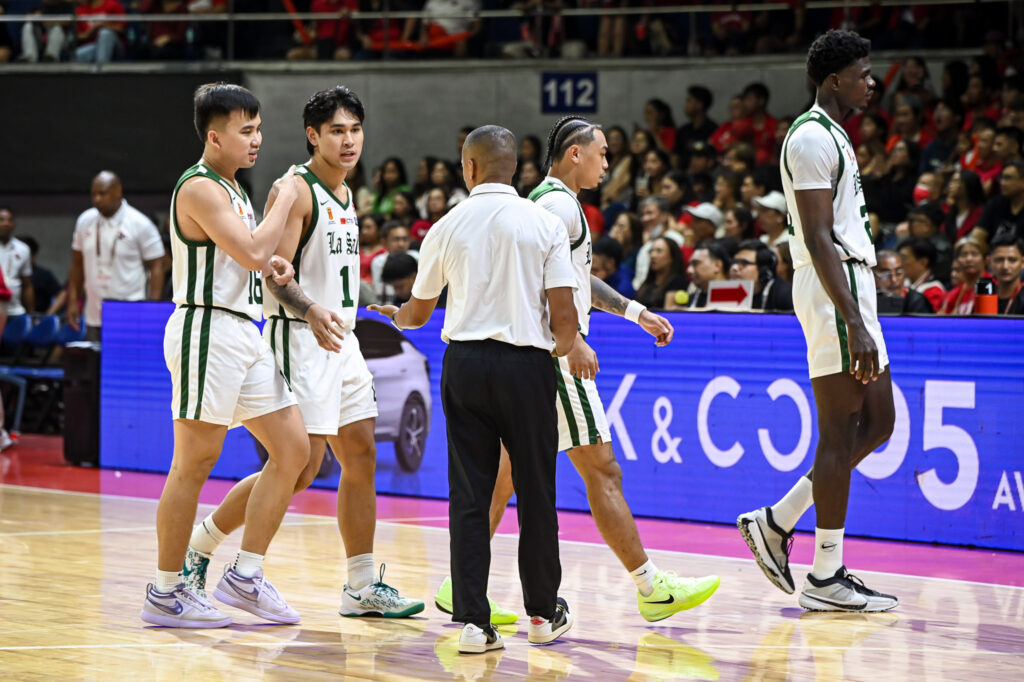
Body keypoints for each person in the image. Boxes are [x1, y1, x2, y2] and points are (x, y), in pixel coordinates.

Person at [438, 116, 718, 628]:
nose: (608, 164)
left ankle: (459, 585)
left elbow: (576, 275)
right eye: (602, 153)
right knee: (601, 469)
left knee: (502, 478)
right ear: (573, 154)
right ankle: (649, 588)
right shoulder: (555, 204)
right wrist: (574, 343)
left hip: (527, 354)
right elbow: (545, 282)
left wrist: (633, 312)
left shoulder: (555, 202)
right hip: (551, 355)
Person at [182, 85, 424, 620]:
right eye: (336, 130)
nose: (348, 140)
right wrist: (312, 309)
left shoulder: (345, 192)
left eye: (355, 130)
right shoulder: (297, 189)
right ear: (313, 135)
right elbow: (273, 273)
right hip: (301, 337)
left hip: (343, 340)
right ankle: (204, 547)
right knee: (301, 467)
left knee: (360, 453)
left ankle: (360, 583)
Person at [368, 124, 579, 655]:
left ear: (469, 168)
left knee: (469, 495)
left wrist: (394, 314)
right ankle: (540, 614)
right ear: (517, 169)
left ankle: (472, 624)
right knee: (536, 490)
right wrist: (560, 346)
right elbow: (565, 316)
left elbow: (416, 314)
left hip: (463, 364)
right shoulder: (544, 222)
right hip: (526, 365)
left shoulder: (444, 225)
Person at [737, 30, 898, 613]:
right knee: (838, 433)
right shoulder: (808, 137)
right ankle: (826, 573)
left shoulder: (832, 134)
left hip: (853, 283)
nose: (870, 81)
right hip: (835, 291)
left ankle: (778, 520)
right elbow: (815, 234)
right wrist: (852, 318)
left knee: (879, 421)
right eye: (862, 72)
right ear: (834, 80)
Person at [140, 83, 310, 629]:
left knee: (294, 451)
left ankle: (246, 575)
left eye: (259, 128)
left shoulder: (233, 191)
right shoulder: (199, 189)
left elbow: (253, 257)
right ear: (214, 137)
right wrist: (287, 196)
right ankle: (166, 592)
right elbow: (255, 246)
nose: (257, 139)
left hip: (244, 332)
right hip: (206, 330)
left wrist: (273, 271)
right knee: (193, 463)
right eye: (246, 130)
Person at [66, 171, 165, 341]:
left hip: (130, 311)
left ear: (118, 191)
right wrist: (73, 300)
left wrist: (152, 307)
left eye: (102, 194)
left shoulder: (140, 223)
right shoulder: (85, 221)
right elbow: (76, 264)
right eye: (93, 194)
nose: (97, 199)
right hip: (94, 312)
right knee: (96, 366)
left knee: (126, 364)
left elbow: (157, 265)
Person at [729, 239, 793, 311]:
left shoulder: (785, 294)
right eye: (734, 262)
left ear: (763, 269)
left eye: (744, 263)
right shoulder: (728, 291)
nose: (734, 268)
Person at [938, 235, 989, 314]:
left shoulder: (992, 286)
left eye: (974, 254)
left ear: (985, 260)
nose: (969, 259)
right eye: (964, 255)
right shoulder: (955, 293)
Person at [0, 207, 35, 323]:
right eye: (1, 220)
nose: (6, 223)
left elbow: (27, 284)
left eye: (9, 220)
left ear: (14, 224)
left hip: (15, 311)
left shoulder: (23, 249)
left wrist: (31, 315)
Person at [975, 160, 1024, 243]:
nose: (1002, 183)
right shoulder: (996, 203)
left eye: (1008, 178)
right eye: (1002, 178)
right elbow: (977, 236)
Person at [636, 235, 688, 310]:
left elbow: (669, 309)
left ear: (672, 257)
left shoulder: (677, 282)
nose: (653, 255)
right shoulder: (648, 282)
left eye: (659, 251)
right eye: (651, 251)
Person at [897, 237, 945, 310]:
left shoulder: (934, 290)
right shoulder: (903, 283)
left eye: (904, 258)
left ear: (923, 262)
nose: (899, 263)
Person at [19, 236, 63, 314]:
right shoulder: (7, 273)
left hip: (36, 316)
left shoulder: (43, 275)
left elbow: (62, 294)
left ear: (33, 255)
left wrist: (47, 315)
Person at [674, 86, 717, 160]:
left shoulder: (713, 130)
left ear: (700, 105)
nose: (686, 105)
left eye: (689, 101)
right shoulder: (683, 131)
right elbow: (676, 155)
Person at [684, 241, 730, 307]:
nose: (689, 270)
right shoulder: (691, 299)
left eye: (696, 263)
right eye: (689, 265)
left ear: (717, 265)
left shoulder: (736, 297)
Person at [988, 234, 1024, 314]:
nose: (1005, 266)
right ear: (989, 262)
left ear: (1022, 262)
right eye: (999, 260)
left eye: (1012, 260)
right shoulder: (984, 297)